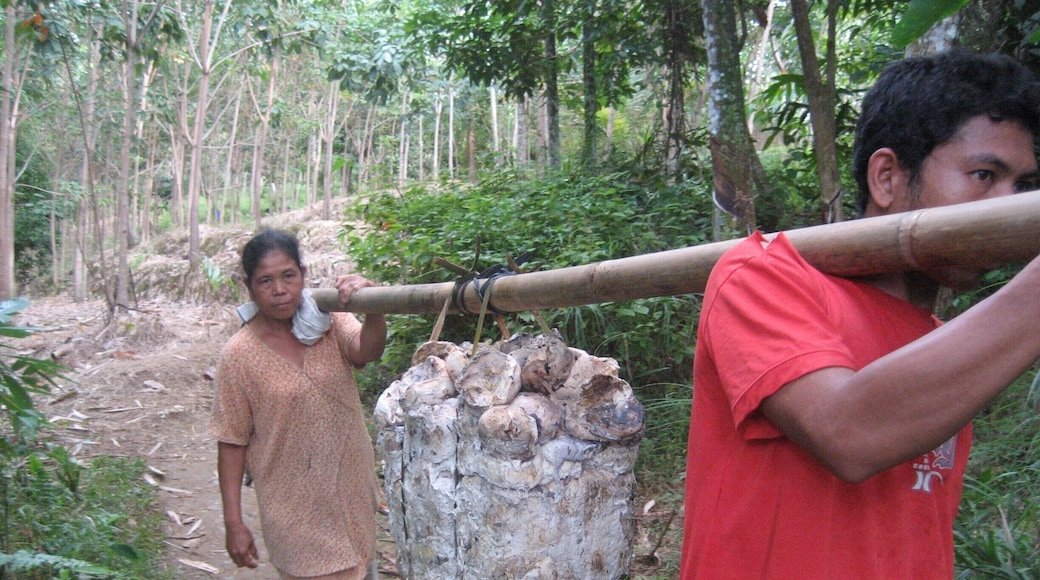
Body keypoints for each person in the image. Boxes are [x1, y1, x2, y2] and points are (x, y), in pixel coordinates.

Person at [680, 49, 1040, 578]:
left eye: (1025, 188)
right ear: (887, 177)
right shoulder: (761, 275)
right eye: (985, 175)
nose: (1008, 204)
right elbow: (847, 433)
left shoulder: (947, 342)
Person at [209, 229, 387, 580]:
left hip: (352, 496)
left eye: (288, 276)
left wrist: (373, 306)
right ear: (249, 287)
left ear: (303, 275)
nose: (279, 290)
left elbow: (367, 350)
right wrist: (234, 522)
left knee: (362, 567)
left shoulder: (328, 321)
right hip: (294, 511)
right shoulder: (239, 356)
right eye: (266, 281)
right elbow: (231, 440)